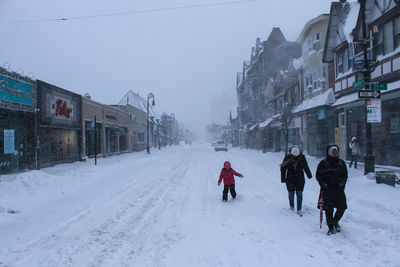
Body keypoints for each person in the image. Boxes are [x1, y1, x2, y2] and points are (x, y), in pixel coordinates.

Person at [316, 144, 348, 235]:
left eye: (336, 152)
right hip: (327, 190)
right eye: (333, 152)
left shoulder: (341, 163)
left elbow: (345, 176)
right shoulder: (323, 163)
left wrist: (342, 184)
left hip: (338, 189)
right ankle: (331, 227)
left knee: (341, 207)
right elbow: (319, 176)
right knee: (328, 209)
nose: (334, 153)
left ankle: (335, 222)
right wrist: (324, 184)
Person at [280, 145, 312, 216]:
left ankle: (299, 209)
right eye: (293, 156)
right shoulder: (287, 158)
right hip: (290, 178)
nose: (295, 157)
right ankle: (291, 206)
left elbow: (305, 167)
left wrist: (309, 175)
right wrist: (283, 178)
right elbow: (283, 168)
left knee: (299, 194)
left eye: (296, 156)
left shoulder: (302, 158)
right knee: (291, 193)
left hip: (300, 178)